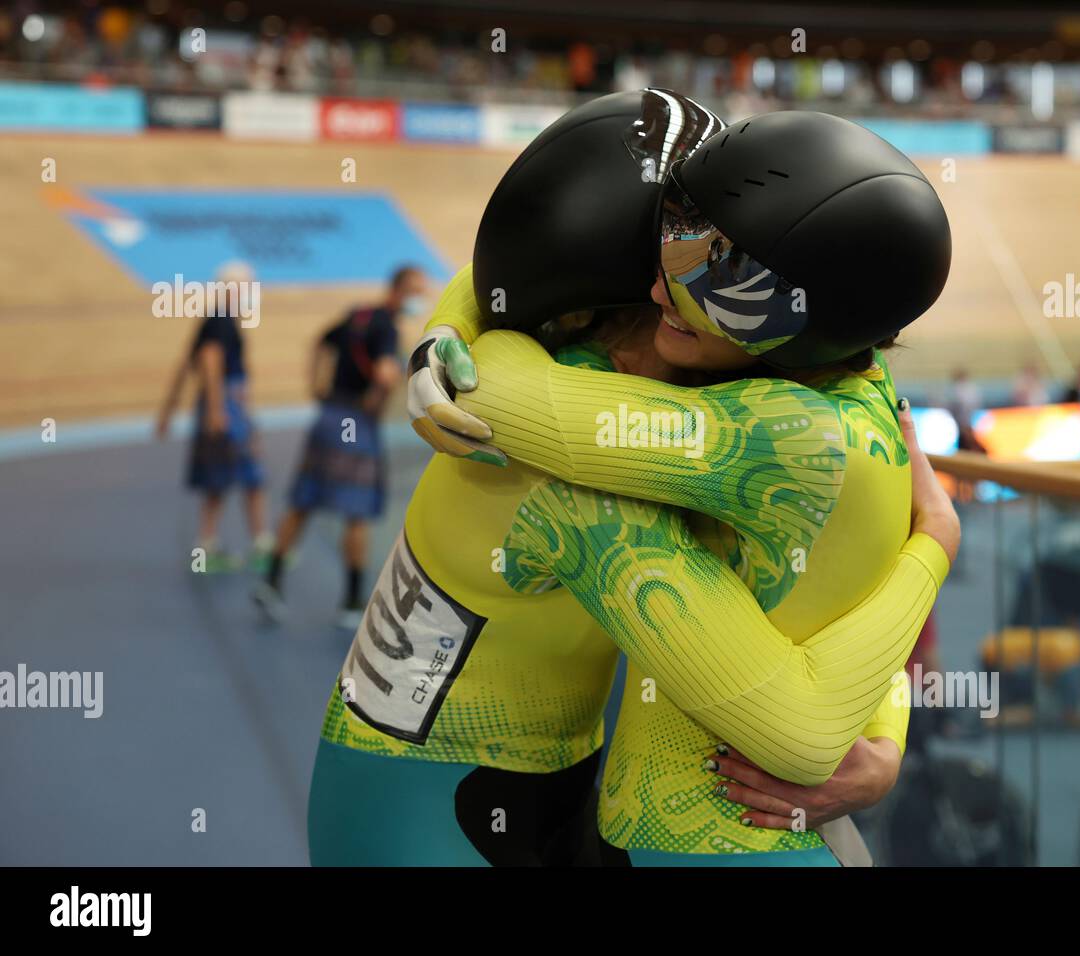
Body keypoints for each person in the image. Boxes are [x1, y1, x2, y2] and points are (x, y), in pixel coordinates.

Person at [396, 106, 956, 865]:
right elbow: (847, 605)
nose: (662, 291)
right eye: (660, 254)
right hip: (649, 817)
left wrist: (937, 546)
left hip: (543, 803)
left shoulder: (763, 429)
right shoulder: (856, 376)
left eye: (709, 272)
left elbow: (497, 391)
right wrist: (887, 735)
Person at [254, 265, 430, 628]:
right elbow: (384, 374)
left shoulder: (359, 316)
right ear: (398, 290)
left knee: (303, 501)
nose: (420, 298)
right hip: (354, 424)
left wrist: (315, 385)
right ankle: (351, 602)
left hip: (329, 416)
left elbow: (321, 342)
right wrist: (387, 390)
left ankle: (271, 582)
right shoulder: (385, 327)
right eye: (415, 290)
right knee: (357, 511)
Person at [155, 261, 270, 572]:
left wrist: (168, 410)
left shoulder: (217, 319)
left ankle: (210, 546)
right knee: (249, 474)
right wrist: (219, 411)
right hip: (226, 408)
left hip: (223, 405)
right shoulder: (221, 320)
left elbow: (186, 363)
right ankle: (258, 545)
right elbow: (209, 360)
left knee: (222, 479)